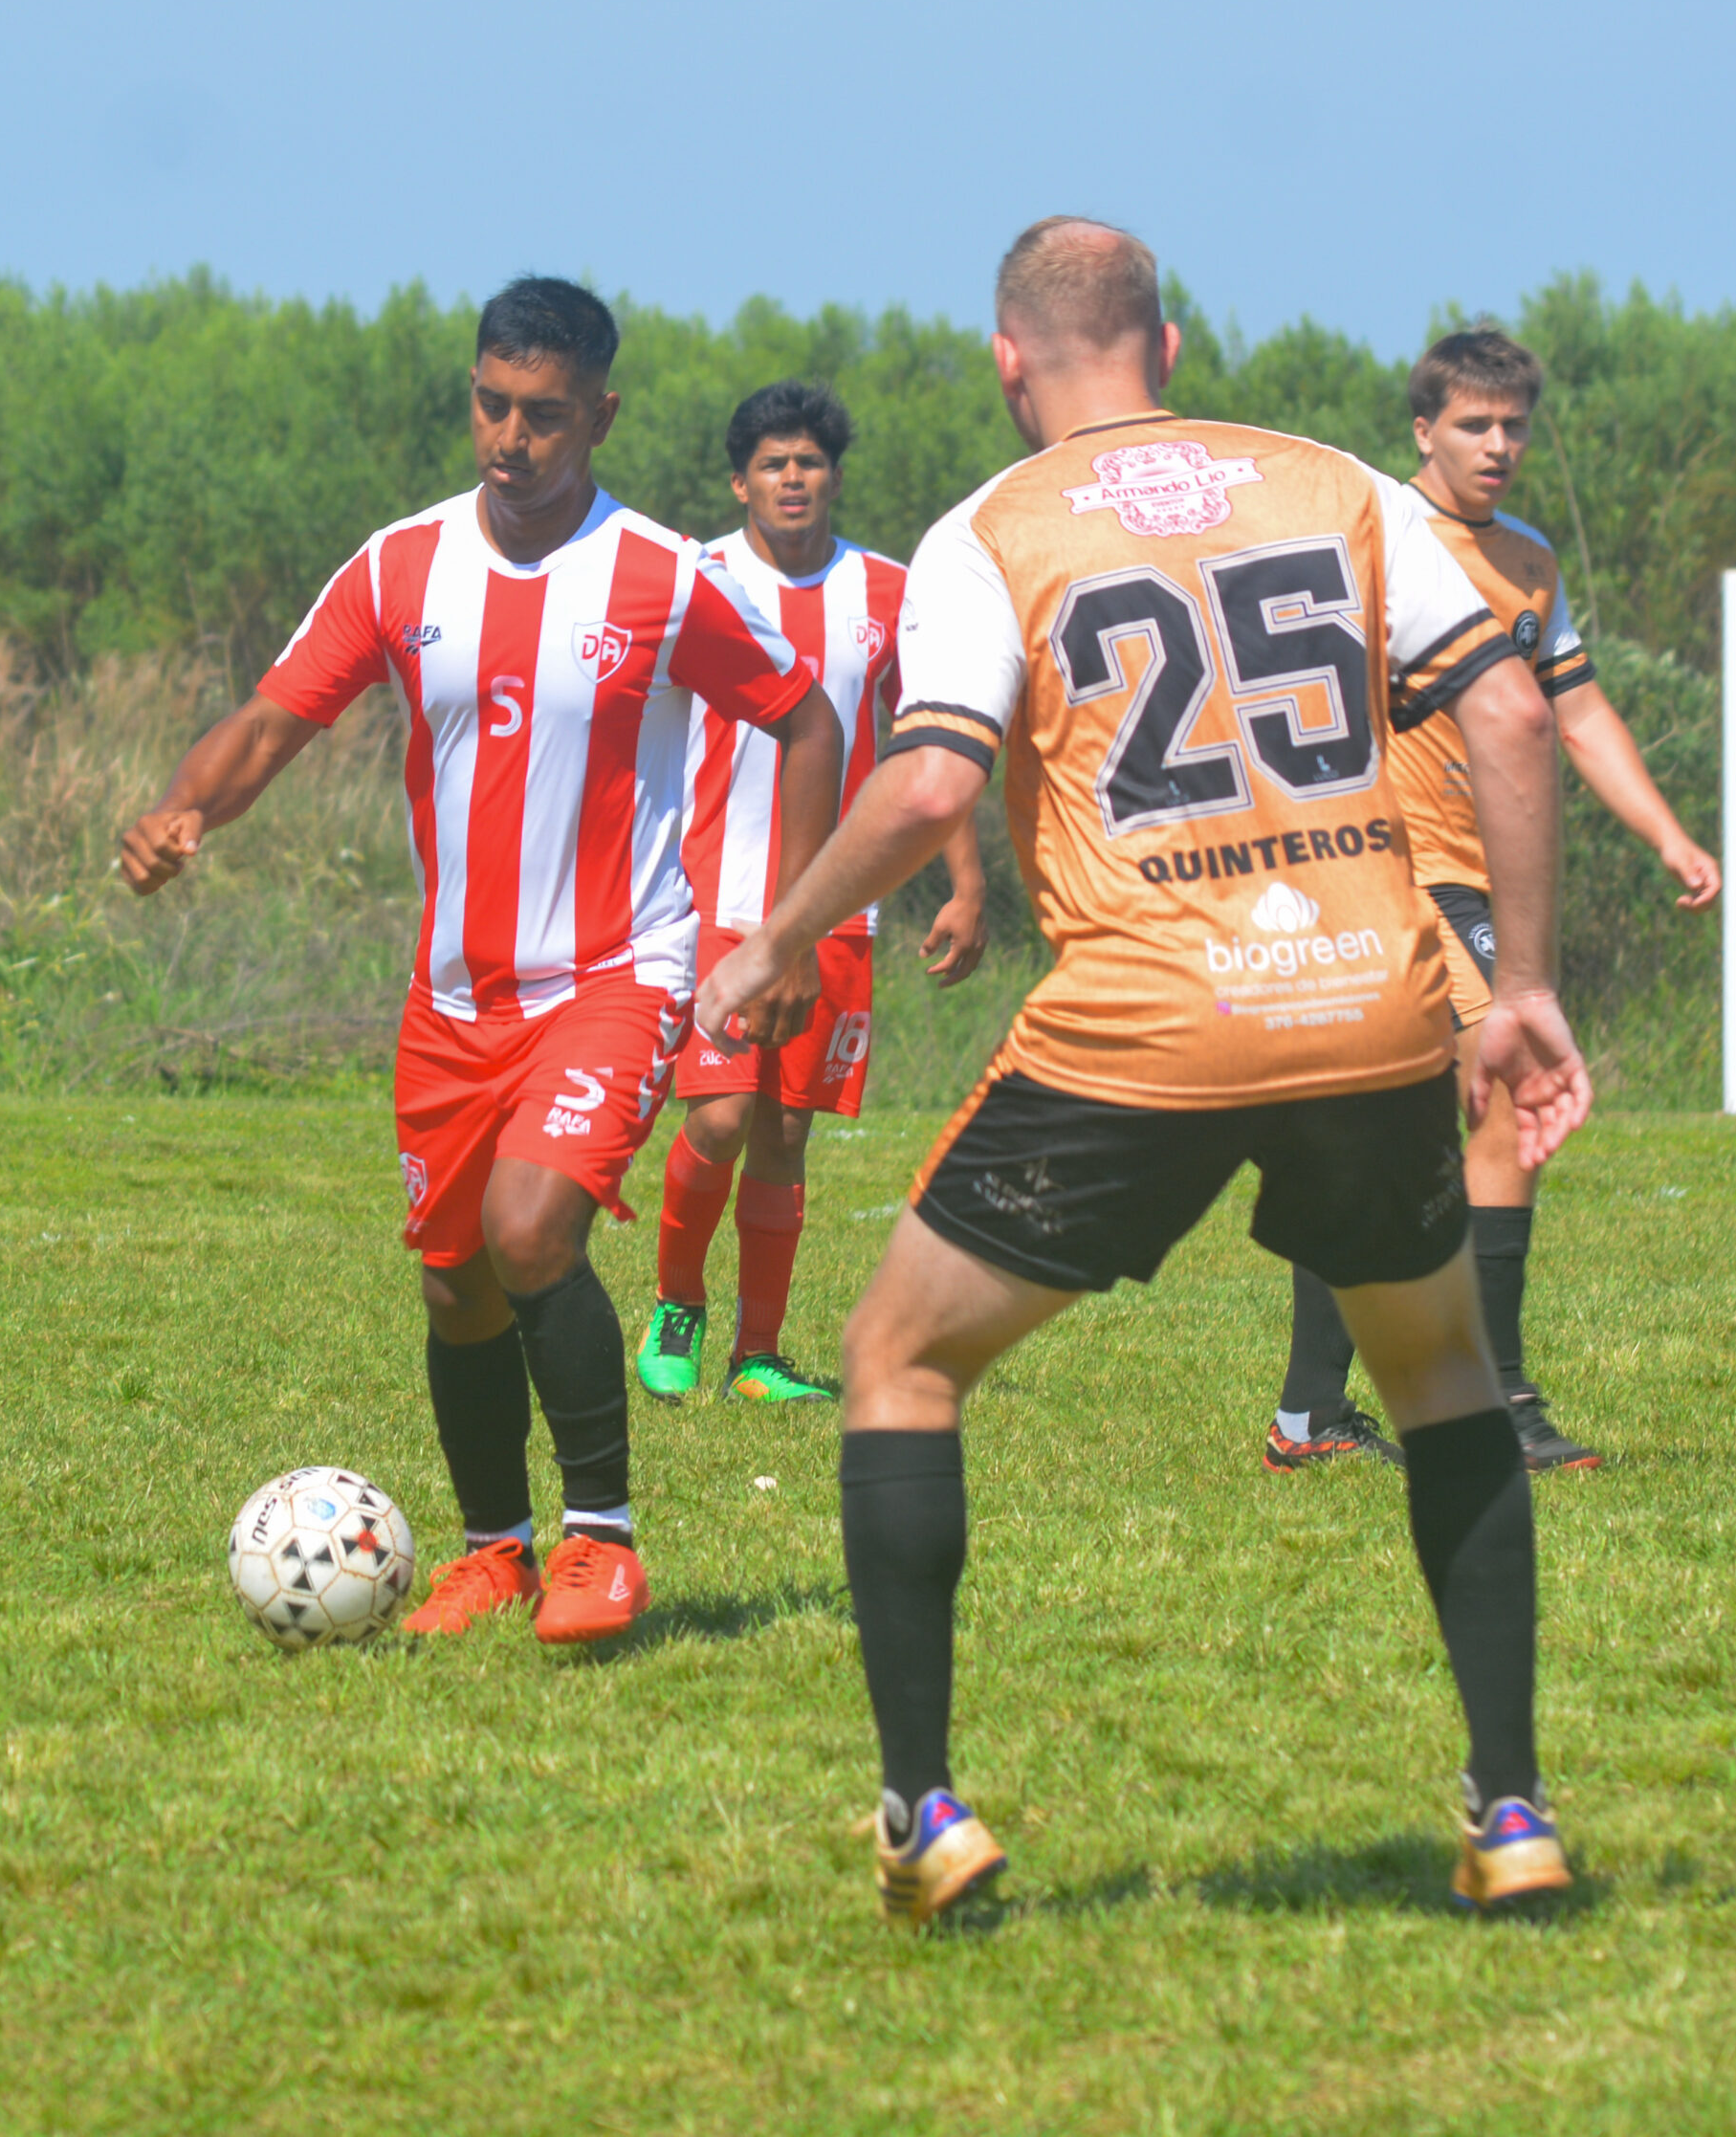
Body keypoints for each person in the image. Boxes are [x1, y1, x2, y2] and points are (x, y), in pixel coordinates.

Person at [701, 218, 1592, 1924]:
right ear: (1167, 349)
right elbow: (1513, 718)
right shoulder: (1336, 483)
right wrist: (1526, 988)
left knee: (895, 1359)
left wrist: (774, 942)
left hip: (1150, 1024)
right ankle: (1514, 1814)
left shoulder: (988, 531)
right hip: (1367, 1001)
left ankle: (921, 1812)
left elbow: (929, 786)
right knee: (1442, 1377)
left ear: (1008, 363)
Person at [120, 277, 842, 1647]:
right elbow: (272, 722)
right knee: (456, 1281)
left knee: (529, 1230)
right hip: (451, 999)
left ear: (600, 417)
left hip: (619, 972)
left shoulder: (661, 578)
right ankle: (492, 1553)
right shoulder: (401, 567)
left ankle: (601, 1544)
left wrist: (790, 926)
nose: (512, 438)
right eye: (493, 406)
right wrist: (183, 810)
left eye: (545, 415)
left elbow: (807, 723)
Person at [1262, 327, 1720, 1477]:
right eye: (1473, 423)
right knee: (1512, 1096)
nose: (1497, 444)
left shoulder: (1527, 559)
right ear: (1422, 430)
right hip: (1386, 870)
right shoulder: (1372, 541)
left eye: (1514, 425)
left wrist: (1665, 832)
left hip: (1478, 876)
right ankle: (1494, 1401)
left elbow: (1578, 711)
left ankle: (1307, 1417)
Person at [641, 380, 988, 1405]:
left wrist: (965, 881)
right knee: (716, 1119)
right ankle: (676, 1308)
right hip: (709, 898)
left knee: (784, 1133)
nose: (791, 478)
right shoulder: (696, 579)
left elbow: (931, 741)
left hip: (838, 912)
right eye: (772, 463)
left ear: (833, 477)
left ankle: (757, 1355)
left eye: (808, 462)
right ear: (738, 482)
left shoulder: (886, 592)